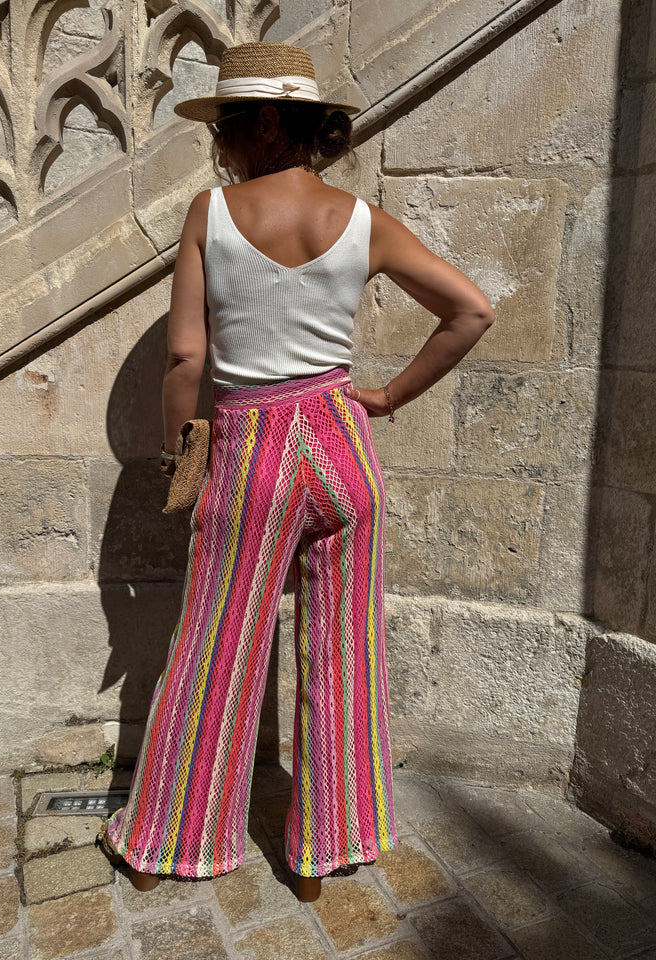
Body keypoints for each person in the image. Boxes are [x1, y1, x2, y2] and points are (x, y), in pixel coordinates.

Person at [99, 41, 494, 902]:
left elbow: (185, 357)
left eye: (226, 128)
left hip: (252, 451)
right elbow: (471, 310)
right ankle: (324, 853)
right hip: (343, 445)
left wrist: (182, 462)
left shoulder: (212, 212)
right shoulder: (364, 220)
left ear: (266, 124)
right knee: (344, 654)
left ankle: (169, 843)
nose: (220, 146)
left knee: (215, 648)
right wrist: (385, 397)